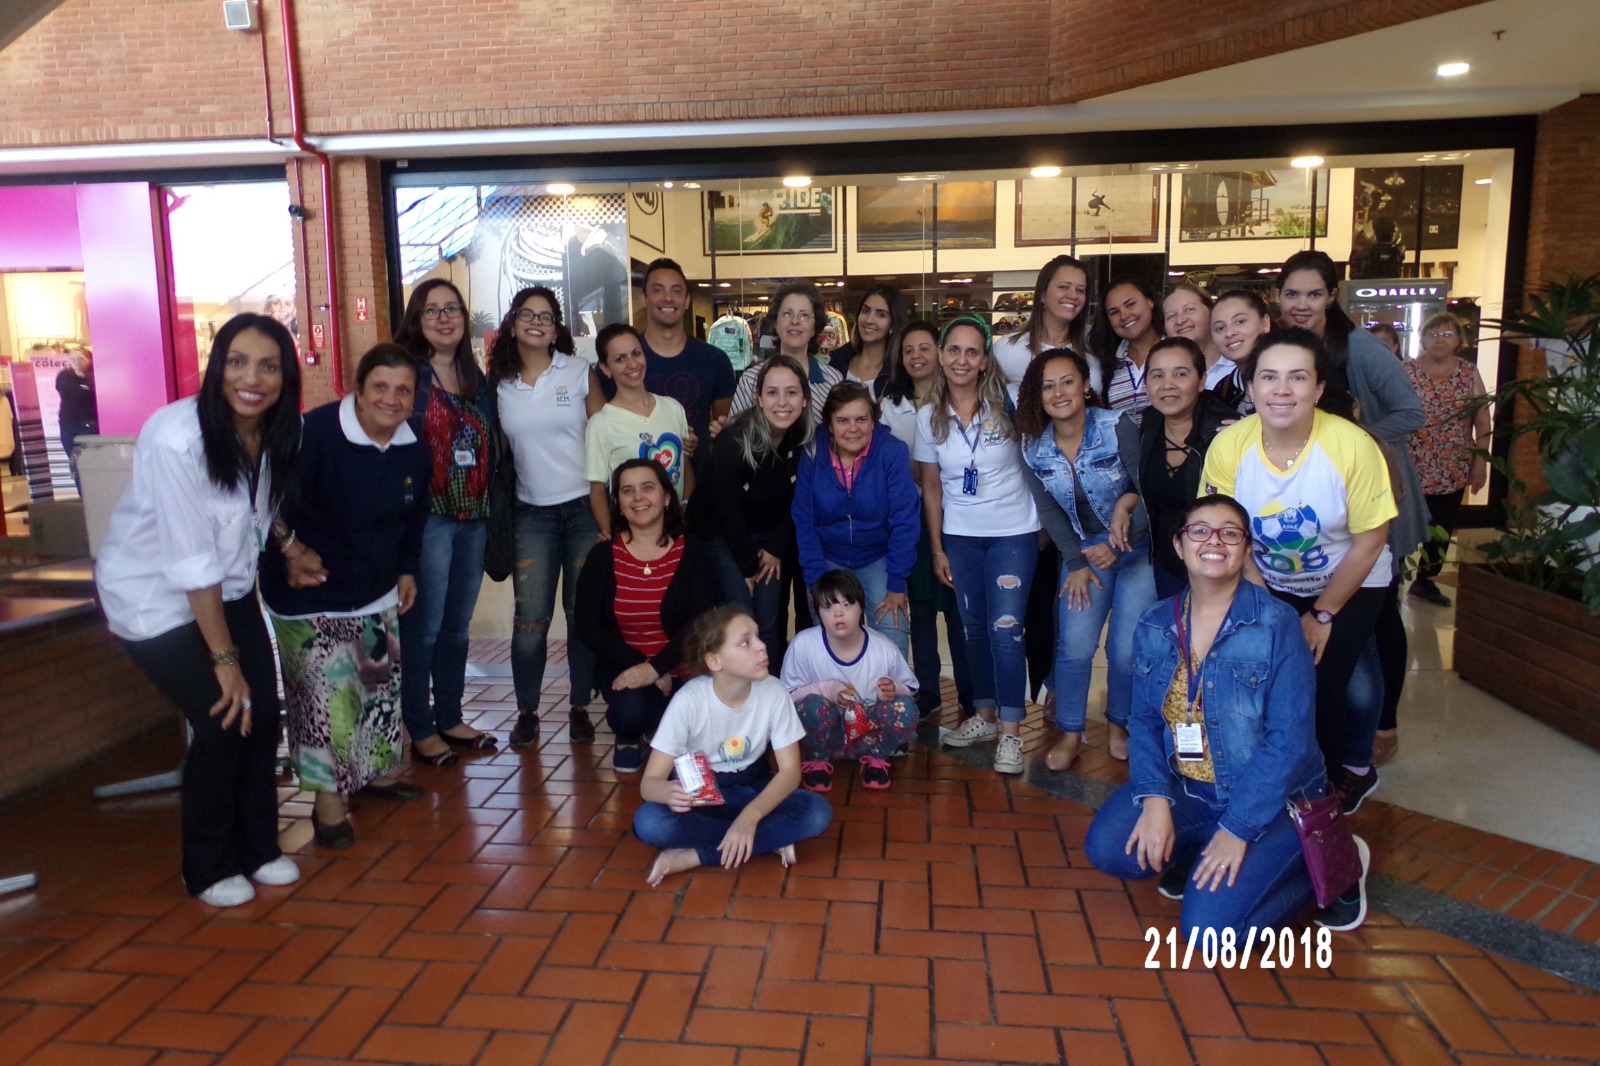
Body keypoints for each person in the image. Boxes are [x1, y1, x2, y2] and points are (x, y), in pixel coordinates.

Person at [1084, 495, 1370, 937]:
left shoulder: (1276, 624)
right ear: (1179, 545)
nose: (1214, 542)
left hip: (1272, 800)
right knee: (1108, 848)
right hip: (1190, 786)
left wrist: (1237, 829)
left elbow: (1289, 741)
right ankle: (1199, 845)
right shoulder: (1155, 624)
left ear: (1246, 550)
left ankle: (1335, 860)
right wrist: (1156, 800)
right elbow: (1144, 722)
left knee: (1212, 931)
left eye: (1230, 533)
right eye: (1200, 531)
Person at [96, 313, 302, 907]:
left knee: (262, 716)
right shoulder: (176, 438)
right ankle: (208, 867)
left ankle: (259, 848)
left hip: (228, 588)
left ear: (285, 376)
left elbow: (256, 511)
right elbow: (191, 562)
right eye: (237, 362)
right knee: (222, 716)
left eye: (268, 366)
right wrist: (224, 660)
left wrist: (291, 548)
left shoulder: (275, 430)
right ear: (216, 367)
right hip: (154, 599)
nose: (252, 378)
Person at [1202, 328, 1397, 815]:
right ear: (1251, 388)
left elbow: (1371, 540)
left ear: (1319, 388)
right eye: (1269, 377)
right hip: (1269, 579)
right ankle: (1282, 771)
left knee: (1325, 678)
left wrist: (1323, 614)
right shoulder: (1230, 446)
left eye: (1298, 377)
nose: (1282, 390)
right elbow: (1226, 530)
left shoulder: (1352, 446)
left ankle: (1327, 785)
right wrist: (1270, 606)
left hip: (1352, 576)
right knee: (1274, 671)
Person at [260, 343, 431, 850]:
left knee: (374, 692)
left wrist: (406, 568)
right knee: (322, 702)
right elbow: (265, 498)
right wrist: (290, 550)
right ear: (357, 389)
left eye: (403, 390)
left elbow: (415, 515)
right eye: (380, 386)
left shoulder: (411, 446)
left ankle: (371, 776)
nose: (391, 399)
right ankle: (328, 805)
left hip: (374, 588)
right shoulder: (313, 435)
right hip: (310, 590)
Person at [1276, 251, 1427, 785]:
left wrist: (1351, 442)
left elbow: (1412, 412)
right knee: (1346, 633)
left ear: (1332, 296)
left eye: (1313, 294)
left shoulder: (1358, 348)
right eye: (1292, 294)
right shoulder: (1283, 346)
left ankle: (1383, 726)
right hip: (1316, 512)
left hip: (1372, 496)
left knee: (1379, 618)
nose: (1301, 304)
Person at [913, 315, 1046, 775]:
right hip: (961, 538)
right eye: (954, 350)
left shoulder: (1010, 402)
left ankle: (1011, 732)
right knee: (972, 629)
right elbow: (932, 488)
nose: (962, 360)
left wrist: (1046, 525)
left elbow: (1037, 459)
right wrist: (937, 548)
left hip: (1012, 533)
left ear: (985, 360)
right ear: (941, 355)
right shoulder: (929, 417)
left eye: (972, 352)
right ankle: (985, 717)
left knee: (1005, 630)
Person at [1016, 348, 1158, 772]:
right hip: (1084, 551)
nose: (1059, 392)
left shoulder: (1116, 426)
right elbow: (1048, 510)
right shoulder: (1033, 445)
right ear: (1038, 395)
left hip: (1137, 547)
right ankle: (1070, 732)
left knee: (1126, 650)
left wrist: (1119, 543)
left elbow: (1149, 491)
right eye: (1048, 386)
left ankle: (1118, 726)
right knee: (1075, 646)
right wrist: (1076, 562)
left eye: (1067, 381)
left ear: (1085, 385)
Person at [632, 606, 833, 886]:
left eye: (758, 637)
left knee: (817, 812)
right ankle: (767, 839)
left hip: (753, 787)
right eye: (745, 642)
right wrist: (667, 792)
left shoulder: (774, 692)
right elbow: (649, 784)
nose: (761, 646)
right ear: (715, 661)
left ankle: (696, 855)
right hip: (702, 797)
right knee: (650, 822)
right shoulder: (689, 700)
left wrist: (750, 816)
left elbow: (790, 773)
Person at [489, 286, 608, 749]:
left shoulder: (577, 372)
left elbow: (604, 435)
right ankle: (527, 710)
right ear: (512, 324)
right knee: (530, 618)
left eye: (546, 316)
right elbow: (498, 452)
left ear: (557, 328)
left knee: (581, 614)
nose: (537, 322)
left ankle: (579, 705)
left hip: (582, 510)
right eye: (528, 314)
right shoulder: (500, 385)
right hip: (530, 513)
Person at [391, 279, 499, 761]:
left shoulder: (474, 377)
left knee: (457, 626)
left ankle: (450, 716)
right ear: (417, 320)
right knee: (425, 628)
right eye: (431, 310)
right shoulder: (408, 375)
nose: (443, 318)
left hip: (473, 516)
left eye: (452, 308)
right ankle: (419, 725)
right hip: (428, 517)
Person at [575, 459, 722, 773]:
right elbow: (587, 625)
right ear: (619, 503)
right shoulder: (602, 556)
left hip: (684, 669)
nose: (638, 497)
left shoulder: (693, 551)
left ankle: (664, 731)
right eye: (627, 491)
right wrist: (642, 666)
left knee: (712, 719)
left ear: (667, 497)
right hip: (626, 669)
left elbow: (700, 622)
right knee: (630, 712)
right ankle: (630, 737)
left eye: (647, 488)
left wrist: (658, 667)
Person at [689, 355, 811, 672]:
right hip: (722, 534)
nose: (782, 402)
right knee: (741, 617)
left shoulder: (803, 438)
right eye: (772, 392)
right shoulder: (733, 439)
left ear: (804, 398)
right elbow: (726, 509)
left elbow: (798, 501)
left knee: (768, 623)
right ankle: (735, 689)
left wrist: (775, 547)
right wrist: (746, 566)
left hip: (769, 535)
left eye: (791, 392)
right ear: (758, 398)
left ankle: (769, 691)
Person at [881, 322, 974, 717]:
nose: (916, 356)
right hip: (910, 518)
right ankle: (928, 691)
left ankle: (970, 693)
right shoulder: (888, 405)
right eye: (908, 350)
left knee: (958, 609)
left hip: (959, 515)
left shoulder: (960, 396)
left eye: (924, 347)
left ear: (940, 352)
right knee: (919, 610)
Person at [793, 380, 921, 660]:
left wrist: (896, 582)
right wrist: (816, 582)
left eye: (861, 419)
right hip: (828, 557)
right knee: (831, 642)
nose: (853, 428)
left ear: (874, 420)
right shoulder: (813, 452)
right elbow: (805, 521)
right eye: (843, 420)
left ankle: (888, 691)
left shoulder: (891, 451)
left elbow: (904, 520)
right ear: (829, 424)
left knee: (893, 635)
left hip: (879, 557)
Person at [780, 570, 919, 792]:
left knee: (906, 708)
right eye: (827, 607)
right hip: (827, 735)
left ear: (861, 607)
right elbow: (787, 695)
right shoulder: (803, 645)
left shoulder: (884, 648)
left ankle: (878, 758)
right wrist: (828, 689)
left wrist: (894, 689)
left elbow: (910, 687)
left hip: (869, 736)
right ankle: (817, 759)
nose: (838, 614)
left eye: (846, 605)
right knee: (811, 706)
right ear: (817, 611)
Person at [1140, 337, 1239, 598]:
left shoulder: (1226, 430)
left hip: (1218, 565)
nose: (1167, 385)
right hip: (1167, 562)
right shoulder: (1150, 423)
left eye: (1180, 374)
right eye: (1157, 375)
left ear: (1202, 380)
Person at [1404, 312, 1490, 610]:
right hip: (1409, 464)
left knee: (1440, 526)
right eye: (1433, 334)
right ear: (1422, 338)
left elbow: (1482, 419)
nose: (1439, 340)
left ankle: (1425, 580)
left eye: (1446, 334)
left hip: (1452, 464)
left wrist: (1480, 462)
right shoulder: (1407, 370)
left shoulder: (1468, 372)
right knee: (1401, 524)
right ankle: (1390, 580)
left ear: (1458, 340)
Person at [587, 322, 695, 530]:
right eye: (620, 359)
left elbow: (685, 469)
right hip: (630, 533)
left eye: (636, 353)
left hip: (674, 529)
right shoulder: (600, 424)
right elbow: (597, 491)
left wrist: (683, 506)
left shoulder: (673, 408)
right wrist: (612, 538)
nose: (632, 364)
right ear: (605, 368)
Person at [635, 257, 735, 466]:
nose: (668, 298)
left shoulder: (715, 360)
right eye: (658, 290)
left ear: (687, 300)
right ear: (644, 298)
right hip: (636, 478)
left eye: (677, 291)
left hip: (701, 478)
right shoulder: (626, 359)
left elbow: (723, 428)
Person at [730, 281, 843, 427]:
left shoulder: (833, 380)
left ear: (815, 327)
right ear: (775, 323)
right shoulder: (751, 380)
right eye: (787, 314)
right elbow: (735, 434)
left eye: (804, 315)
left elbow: (839, 432)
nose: (795, 321)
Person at [993, 255, 1092, 400]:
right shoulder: (1007, 349)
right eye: (1064, 287)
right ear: (1042, 294)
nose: (1073, 295)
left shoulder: (1094, 345)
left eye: (1080, 290)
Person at [1091, 275, 1165, 422]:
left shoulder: (1177, 350)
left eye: (1130, 305)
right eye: (1114, 312)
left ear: (1150, 301)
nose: (1124, 315)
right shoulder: (1108, 363)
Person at [829, 285, 906, 400]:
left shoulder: (900, 371)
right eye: (865, 310)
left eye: (881, 314)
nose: (869, 320)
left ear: (893, 324)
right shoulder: (837, 361)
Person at [1207, 290, 1274, 413]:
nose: (1229, 333)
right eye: (1219, 328)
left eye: (1240, 322)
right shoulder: (1223, 390)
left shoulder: (1292, 374)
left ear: (1265, 323)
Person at [1162, 285, 1232, 392]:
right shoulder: (1161, 375)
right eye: (1171, 316)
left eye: (1189, 309)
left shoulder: (1236, 364)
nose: (1180, 320)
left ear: (1211, 312)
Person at [55, 348, 97, 491]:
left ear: (89, 360)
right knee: (75, 461)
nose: (76, 362)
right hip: (68, 425)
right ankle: (83, 495)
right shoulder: (64, 376)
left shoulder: (95, 377)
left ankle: (95, 493)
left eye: (80, 359)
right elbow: (66, 392)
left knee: (90, 461)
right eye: (73, 359)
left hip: (89, 425)